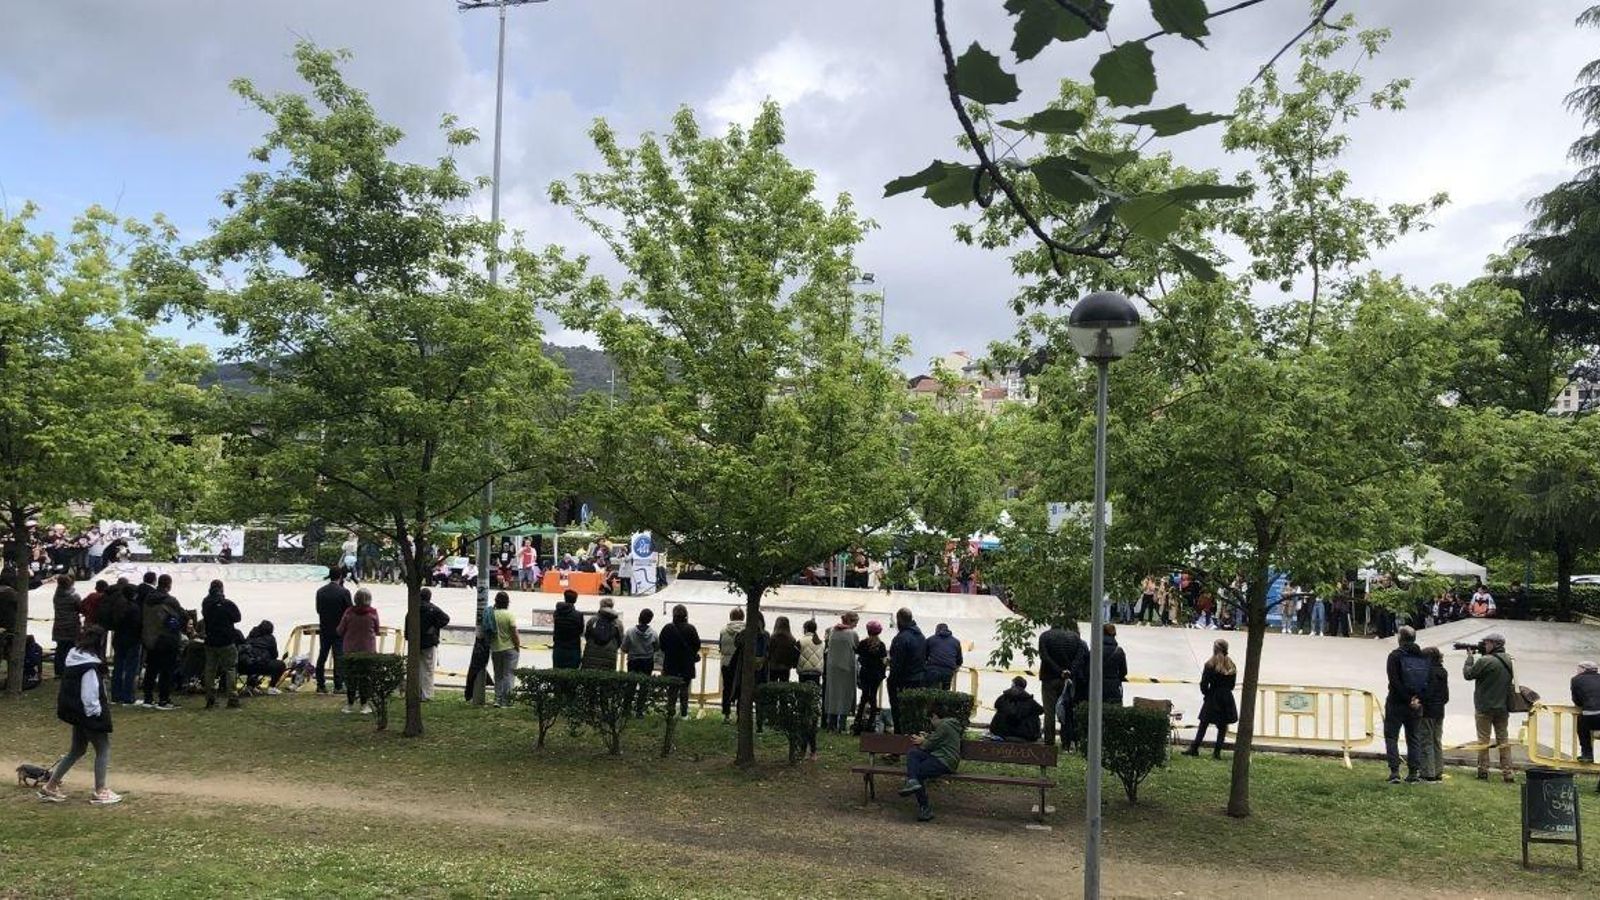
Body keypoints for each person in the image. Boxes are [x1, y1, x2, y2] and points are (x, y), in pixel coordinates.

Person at [36, 625, 120, 805]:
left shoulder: (74, 659)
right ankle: (100, 790)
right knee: (103, 749)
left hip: (76, 713)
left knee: (77, 750)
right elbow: (89, 695)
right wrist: (96, 715)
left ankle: (50, 786)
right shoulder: (89, 667)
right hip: (88, 714)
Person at [1463, 632, 1515, 783]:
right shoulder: (1510, 659)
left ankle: (1483, 770)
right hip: (1503, 706)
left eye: (1487, 643)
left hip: (1484, 706)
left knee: (1483, 741)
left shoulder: (1485, 660)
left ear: (1494, 644)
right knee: (1503, 740)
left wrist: (1469, 658)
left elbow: (1468, 674)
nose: (1485, 645)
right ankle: (1508, 772)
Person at [1381, 626, 1427, 784]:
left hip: (1396, 701)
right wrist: (1417, 699)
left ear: (1400, 638)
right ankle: (1413, 772)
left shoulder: (1394, 656)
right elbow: (1428, 681)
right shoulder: (1422, 655)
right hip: (1416, 703)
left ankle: (1394, 772)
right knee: (1413, 737)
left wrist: (1406, 698)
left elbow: (1394, 681)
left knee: (1391, 736)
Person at [899, 707, 962, 822]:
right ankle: (912, 781)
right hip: (940, 757)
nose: (931, 723)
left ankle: (925, 808)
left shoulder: (944, 726)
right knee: (913, 753)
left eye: (931, 720)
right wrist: (926, 737)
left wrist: (922, 740)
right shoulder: (949, 725)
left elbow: (927, 746)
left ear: (935, 716)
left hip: (945, 761)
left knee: (917, 772)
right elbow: (937, 740)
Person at [1184, 639, 1238, 758]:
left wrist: (1207, 694)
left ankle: (1194, 748)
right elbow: (1232, 685)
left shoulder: (1210, 664)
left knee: (1203, 724)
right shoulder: (1231, 665)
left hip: (1213, 696)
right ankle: (1217, 753)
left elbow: (1204, 684)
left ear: (1214, 649)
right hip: (1226, 697)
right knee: (1222, 726)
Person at [1038, 619, 1086, 749]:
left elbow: (1044, 657)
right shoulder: (1075, 638)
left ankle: (1049, 742)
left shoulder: (1045, 636)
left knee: (1049, 712)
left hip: (1049, 678)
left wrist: (1059, 671)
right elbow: (1079, 657)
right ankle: (1066, 742)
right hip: (1068, 680)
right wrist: (1069, 671)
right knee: (1067, 710)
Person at [140, 574, 185, 709]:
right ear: (169, 585)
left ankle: (148, 698)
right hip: (167, 638)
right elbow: (182, 616)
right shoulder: (170, 601)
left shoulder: (148, 599)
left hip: (150, 638)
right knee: (167, 670)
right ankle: (163, 699)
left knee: (151, 669)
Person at [200, 579, 242, 709]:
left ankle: (210, 698)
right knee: (230, 668)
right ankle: (232, 697)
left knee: (210, 669)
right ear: (222, 589)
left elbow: (204, 616)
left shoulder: (206, 603)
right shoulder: (227, 604)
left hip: (211, 640)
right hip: (226, 641)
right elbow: (237, 618)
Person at [337, 589, 380, 714]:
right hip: (368, 650)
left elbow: (340, 630)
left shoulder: (349, 612)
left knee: (351, 677)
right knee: (365, 678)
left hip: (350, 649)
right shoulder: (373, 613)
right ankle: (364, 704)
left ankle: (349, 704)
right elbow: (377, 630)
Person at [887, 608, 927, 734]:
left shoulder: (901, 638)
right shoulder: (921, 636)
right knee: (914, 711)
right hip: (918, 678)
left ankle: (899, 738)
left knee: (898, 711)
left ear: (899, 620)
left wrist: (892, 680)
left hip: (903, 680)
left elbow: (897, 663)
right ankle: (912, 735)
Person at [658, 605, 701, 718]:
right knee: (684, 688)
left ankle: (670, 711)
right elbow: (697, 645)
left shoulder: (667, 628)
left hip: (671, 663)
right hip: (686, 663)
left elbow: (661, 645)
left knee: (672, 689)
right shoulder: (691, 628)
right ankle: (684, 712)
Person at [314, 567, 352, 694]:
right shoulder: (344, 592)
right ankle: (338, 685)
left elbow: (318, 610)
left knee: (322, 656)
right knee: (338, 657)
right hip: (339, 629)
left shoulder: (320, 591)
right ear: (340, 576)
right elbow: (349, 611)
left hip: (325, 627)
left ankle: (320, 684)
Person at [409, 588, 451, 701]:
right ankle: (426, 694)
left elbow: (407, 622)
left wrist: (408, 637)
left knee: (415, 668)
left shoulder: (413, 608)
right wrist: (435, 626)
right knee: (428, 669)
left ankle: (415, 692)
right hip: (429, 642)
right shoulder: (433, 609)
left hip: (415, 642)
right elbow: (446, 618)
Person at [824, 612, 860, 733]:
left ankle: (831, 724)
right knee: (845, 695)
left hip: (833, 668)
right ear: (851, 621)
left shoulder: (832, 631)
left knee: (833, 695)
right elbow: (857, 647)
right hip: (847, 668)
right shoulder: (852, 633)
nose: (856, 625)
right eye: (855, 622)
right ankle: (842, 725)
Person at [1417, 646, 1449, 782]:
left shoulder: (1427, 672)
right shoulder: (1442, 671)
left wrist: (1419, 700)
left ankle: (1428, 772)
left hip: (1428, 710)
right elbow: (1445, 696)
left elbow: (1427, 692)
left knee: (1426, 741)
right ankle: (1438, 770)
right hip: (1440, 709)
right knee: (1437, 740)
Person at [623, 608, 658, 716]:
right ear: (650, 620)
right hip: (647, 661)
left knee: (631, 685)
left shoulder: (630, 632)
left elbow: (624, 648)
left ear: (639, 617)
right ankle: (640, 710)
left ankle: (626, 708)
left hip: (633, 661)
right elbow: (656, 647)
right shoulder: (653, 633)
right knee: (644, 686)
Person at [854, 620, 888, 733]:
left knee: (864, 697)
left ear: (868, 631)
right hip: (876, 675)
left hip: (865, 673)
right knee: (873, 697)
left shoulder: (863, 643)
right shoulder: (881, 645)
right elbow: (883, 661)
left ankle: (858, 720)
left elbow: (857, 653)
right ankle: (871, 722)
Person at [988, 676, 1043, 742]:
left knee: (1000, 712)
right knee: (1033, 714)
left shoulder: (1003, 698)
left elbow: (996, 705)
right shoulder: (1030, 701)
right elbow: (1041, 710)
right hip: (1024, 733)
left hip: (1002, 732)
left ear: (1013, 684)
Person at [489, 591, 520, 708]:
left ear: (496, 602)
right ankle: (506, 701)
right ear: (507, 602)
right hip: (509, 648)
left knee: (498, 675)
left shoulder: (492, 615)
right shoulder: (509, 615)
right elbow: (514, 633)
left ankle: (497, 699)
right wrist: (517, 646)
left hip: (495, 648)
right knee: (509, 675)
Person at [238, 621, 287, 694]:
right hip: (260, 666)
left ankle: (250, 686)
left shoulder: (251, 635)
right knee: (280, 664)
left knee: (253, 662)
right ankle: (271, 687)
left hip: (243, 667)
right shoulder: (270, 638)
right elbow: (275, 655)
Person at [718, 608, 746, 720]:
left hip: (726, 663)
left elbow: (721, 646)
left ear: (731, 617)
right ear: (743, 617)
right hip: (741, 664)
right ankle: (740, 715)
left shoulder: (723, 631)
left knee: (727, 688)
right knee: (741, 690)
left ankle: (726, 714)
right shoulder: (747, 631)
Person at [50, 575, 82, 677]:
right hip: (71, 625)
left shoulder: (57, 596)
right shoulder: (73, 597)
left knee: (60, 649)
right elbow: (80, 607)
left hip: (59, 624)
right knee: (71, 648)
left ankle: (58, 671)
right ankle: (69, 669)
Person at [581, 596, 623, 671]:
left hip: (591, 654)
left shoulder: (592, 620)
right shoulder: (618, 623)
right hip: (610, 655)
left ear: (601, 606)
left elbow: (587, 635)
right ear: (612, 606)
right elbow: (620, 640)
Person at [1572, 661, 1600, 763]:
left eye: (1578, 668)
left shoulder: (1576, 680)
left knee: (1581, 722)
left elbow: (1577, 701)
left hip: (1591, 717)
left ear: (1583, 669)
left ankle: (1587, 755)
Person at [924, 623, 963, 691]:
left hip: (933, 671)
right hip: (948, 671)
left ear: (936, 630)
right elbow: (959, 661)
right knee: (945, 693)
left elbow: (924, 656)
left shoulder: (930, 639)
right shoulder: (956, 642)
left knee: (932, 692)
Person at [551, 589, 583, 669]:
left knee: (557, 671)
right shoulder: (578, 615)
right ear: (575, 600)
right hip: (573, 648)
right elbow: (581, 630)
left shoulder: (557, 613)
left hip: (558, 646)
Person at [1098, 623, 1128, 704]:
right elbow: (1124, 671)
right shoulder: (1119, 651)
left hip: (1098, 685)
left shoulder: (1096, 650)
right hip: (1114, 685)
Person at [765, 616, 799, 683]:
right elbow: (793, 654)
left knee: (772, 686)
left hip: (773, 666)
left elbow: (769, 651)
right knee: (784, 686)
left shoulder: (773, 638)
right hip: (786, 667)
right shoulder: (792, 639)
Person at [797, 619, 825, 686]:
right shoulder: (821, 643)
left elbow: (795, 656)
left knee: (803, 692)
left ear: (805, 629)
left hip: (803, 672)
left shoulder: (800, 641)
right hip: (817, 672)